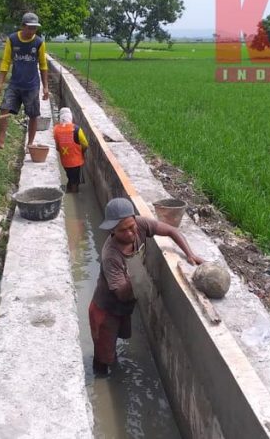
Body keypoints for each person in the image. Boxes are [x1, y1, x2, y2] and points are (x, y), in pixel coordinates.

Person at [89, 197, 204, 376]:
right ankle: (103, 380)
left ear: (134, 219)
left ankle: (113, 366)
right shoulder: (111, 255)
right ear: (112, 230)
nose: (129, 233)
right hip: (106, 309)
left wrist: (190, 254)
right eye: (122, 231)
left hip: (125, 306)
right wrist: (136, 276)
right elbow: (120, 293)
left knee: (115, 343)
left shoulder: (140, 225)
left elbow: (172, 231)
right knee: (103, 356)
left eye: (131, 226)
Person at [0, 12, 49, 150]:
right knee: (4, 108)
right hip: (15, 84)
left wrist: (46, 87)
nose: (32, 31)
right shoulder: (13, 39)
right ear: (23, 26)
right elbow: (6, 61)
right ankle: (1, 140)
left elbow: (43, 65)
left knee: (33, 115)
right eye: (30, 27)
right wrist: (0, 82)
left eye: (35, 28)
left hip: (32, 85)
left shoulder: (39, 42)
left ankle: (30, 143)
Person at [53, 107, 89, 193]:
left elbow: (57, 146)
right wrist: (81, 152)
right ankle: (74, 193)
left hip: (65, 161)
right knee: (75, 181)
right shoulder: (76, 129)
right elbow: (85, 144)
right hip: (76, 161)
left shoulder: (55, 129)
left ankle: (69, 189)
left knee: (69, 176)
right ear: (70, 117)